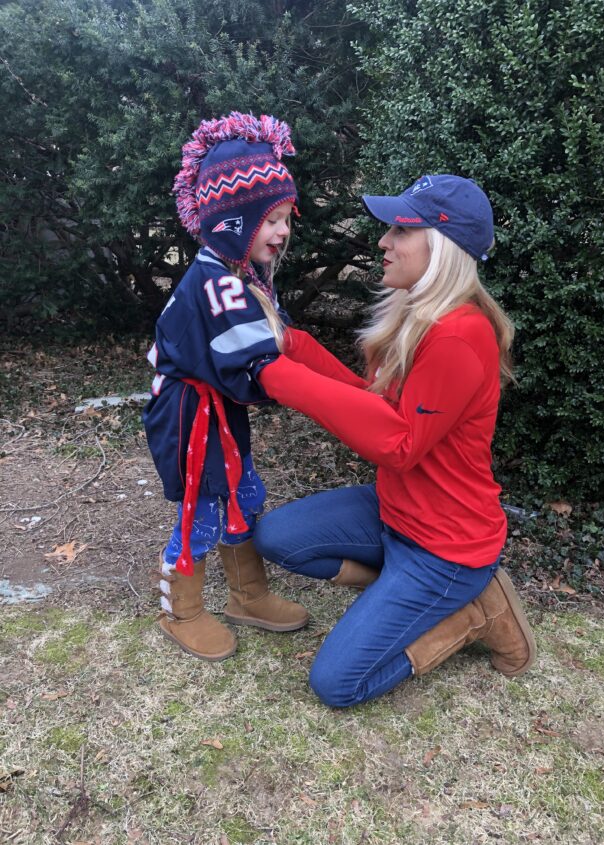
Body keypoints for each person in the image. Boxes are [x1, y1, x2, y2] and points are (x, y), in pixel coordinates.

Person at [253, 174, 536, 707]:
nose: (383, 242)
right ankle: (400, 594)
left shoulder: (460, 333)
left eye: (401, 229)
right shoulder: (418, 315)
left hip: (446, 548)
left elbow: (399, 443)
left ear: (443, 246)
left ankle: (472, 613)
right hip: (395, 512)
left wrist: (277, 377)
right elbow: (378, 406)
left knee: (337, 685)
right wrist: (289, 346)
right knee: (276, 538)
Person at [143, 112, 309, 663]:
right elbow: (262, 366)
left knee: (242, 493)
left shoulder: (238, 275)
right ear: (234, 220)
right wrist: (331, 401)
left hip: (216, 409)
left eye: (287, 218)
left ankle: (248, 594)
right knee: (202, 507)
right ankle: (181, 610)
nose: (283, 231)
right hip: (188, 414)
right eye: (271, 219)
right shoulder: (216, 285)